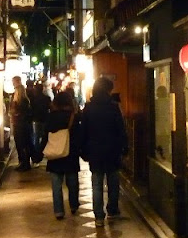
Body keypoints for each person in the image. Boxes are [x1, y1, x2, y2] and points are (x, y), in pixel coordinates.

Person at [80, 77, 128, 227]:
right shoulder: (113, 108)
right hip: (112, 150)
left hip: (94, 151)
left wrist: (83, 150)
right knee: (113, 183)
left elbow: (83, 131)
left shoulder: (88, 108)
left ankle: (98, 216)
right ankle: (112, 211)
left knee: (97, 184)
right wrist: (124, 148)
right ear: (108, 90)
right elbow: (121, 130)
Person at [41, 90, 80, 220]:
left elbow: (45, 135)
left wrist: (39, 152)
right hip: (70, 153)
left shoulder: (51, 116)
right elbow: (79, 135)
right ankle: (73, 205)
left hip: (55, 154)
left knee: (56, 185)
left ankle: (59, 211)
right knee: (72, 182)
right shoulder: (74, 116)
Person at [9, 76, 33, 171]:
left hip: (21, 125)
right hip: (21, 124)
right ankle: (23, 162)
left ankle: (24, 163)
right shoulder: (24, 101)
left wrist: (14, 113)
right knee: (22, 144)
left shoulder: (22, 102)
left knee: (22, 144)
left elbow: (21, 113)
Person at [30, 81, 51, 160]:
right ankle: (42, 151)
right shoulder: (46, 98)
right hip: (45, 119)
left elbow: (31, 109)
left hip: (36, 119)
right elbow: (50, 108)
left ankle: (36, 154)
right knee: (44, 137)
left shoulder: (33, 99)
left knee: (36, 137)